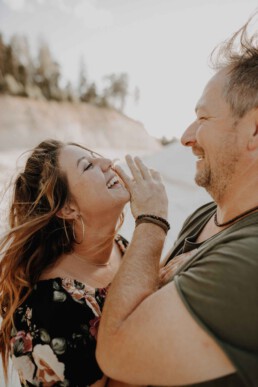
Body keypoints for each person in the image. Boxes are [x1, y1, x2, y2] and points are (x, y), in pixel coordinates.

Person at [96, 13, 258, 387]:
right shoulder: (205, 215)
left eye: (203, 117)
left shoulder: (250, 257)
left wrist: (151, 221)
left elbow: (117, 350)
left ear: (254, 129)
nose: (186, 137)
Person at [0, 139, 134, 386]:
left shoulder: (121, 247)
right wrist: (152, 226)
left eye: (96, 156)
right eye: (87, 166)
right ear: (68, 208)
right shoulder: (52, 305)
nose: (106, 163)